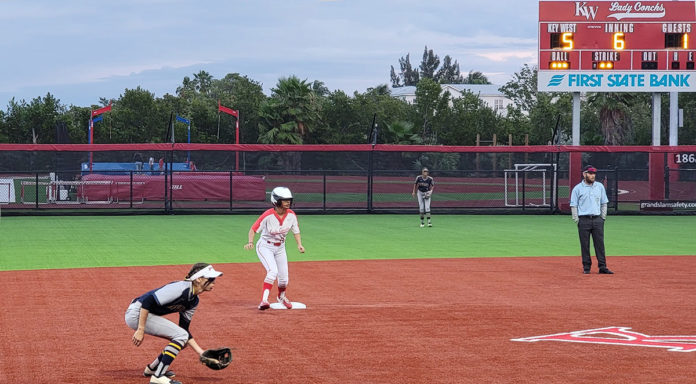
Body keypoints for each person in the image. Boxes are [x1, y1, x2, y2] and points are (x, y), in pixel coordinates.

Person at [125, 263, 223, 384]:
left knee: (182, 339)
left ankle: (152, 369)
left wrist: (201, 353)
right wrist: (140, 329)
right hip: (137, 313)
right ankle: (158, 377)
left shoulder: (193, 301)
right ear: (198, 279)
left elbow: (184, 329)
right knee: (181, 337)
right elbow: (147, 301)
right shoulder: (180, 288)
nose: (214, 282)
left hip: (145, 314)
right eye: (211, 279)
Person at [244, 186, 305, 310]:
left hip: (280, 248)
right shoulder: (268, 215)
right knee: (273, 272)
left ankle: (281, 297)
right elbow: (253, 229)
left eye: (289, 200)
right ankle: (264, 300)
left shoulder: (291, 215)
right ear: (276, 201)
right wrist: (250, 242)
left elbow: (296, 231)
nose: (288, 202)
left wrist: (299, 244)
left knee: (284, 279)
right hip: (265, 246)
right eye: (285, 200)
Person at [570, 165, 613, 275]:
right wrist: (576, 219)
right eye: (590, 173)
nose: (592, 175)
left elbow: (604, 203)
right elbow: (573, 205)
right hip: (583, 219)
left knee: (600, 244)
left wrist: (603, 218)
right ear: (584, 174)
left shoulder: (599, 186)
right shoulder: (577, 188)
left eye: (593, 173)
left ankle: (602, 266)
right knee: (585, 244)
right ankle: (586, 266)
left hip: (597, 219)